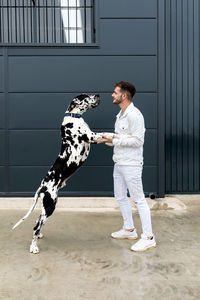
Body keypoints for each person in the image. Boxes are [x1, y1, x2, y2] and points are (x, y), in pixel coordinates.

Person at [97, 81, 156, 251]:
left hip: (131, 165)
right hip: (119, 163)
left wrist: (113, 140)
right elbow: (119, 137)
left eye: (115, 92)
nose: (112, 95)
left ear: (124, 96)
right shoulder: (121, 115)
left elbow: (138, 141)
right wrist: (105, 138)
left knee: (139, 200)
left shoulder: (134, 115)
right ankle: (129, 229)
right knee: (120, 196)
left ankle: (149, 237)